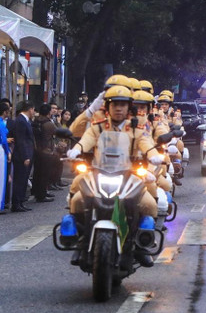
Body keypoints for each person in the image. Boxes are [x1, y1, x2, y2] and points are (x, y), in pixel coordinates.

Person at [66, 85, 163, 266]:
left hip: (130, 175)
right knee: (77, 200)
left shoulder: (137, 127)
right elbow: (86, 139)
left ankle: (141, 244)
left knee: (149, 205)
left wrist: (153, 155)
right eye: (115, 104)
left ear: (128, 108)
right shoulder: (98, 126)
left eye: (123, 105)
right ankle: (81, 242)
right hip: (100, 172)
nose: (118, 108)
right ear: (108, 106)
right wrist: (76, 149)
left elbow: (146, 143)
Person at [11, 100, 36, 213]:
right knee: (19, 180)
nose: (34, 112)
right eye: (33, 110)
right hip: (21, 156)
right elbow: (21, 141)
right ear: (29, 109)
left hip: (27, 154)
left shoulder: (25, 121)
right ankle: (16, 203)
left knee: (24, 179)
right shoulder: (20, 121)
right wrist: (25, 156)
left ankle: (20, 202)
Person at [31, 104, 57, 203]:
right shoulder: (48, 124)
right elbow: (56, 132)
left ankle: (37, 191)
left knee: (37, 172)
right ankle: (42, 194)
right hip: (46, 151)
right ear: (49, 112)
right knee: (44, 174)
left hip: (37, 150)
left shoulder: (36, 121)